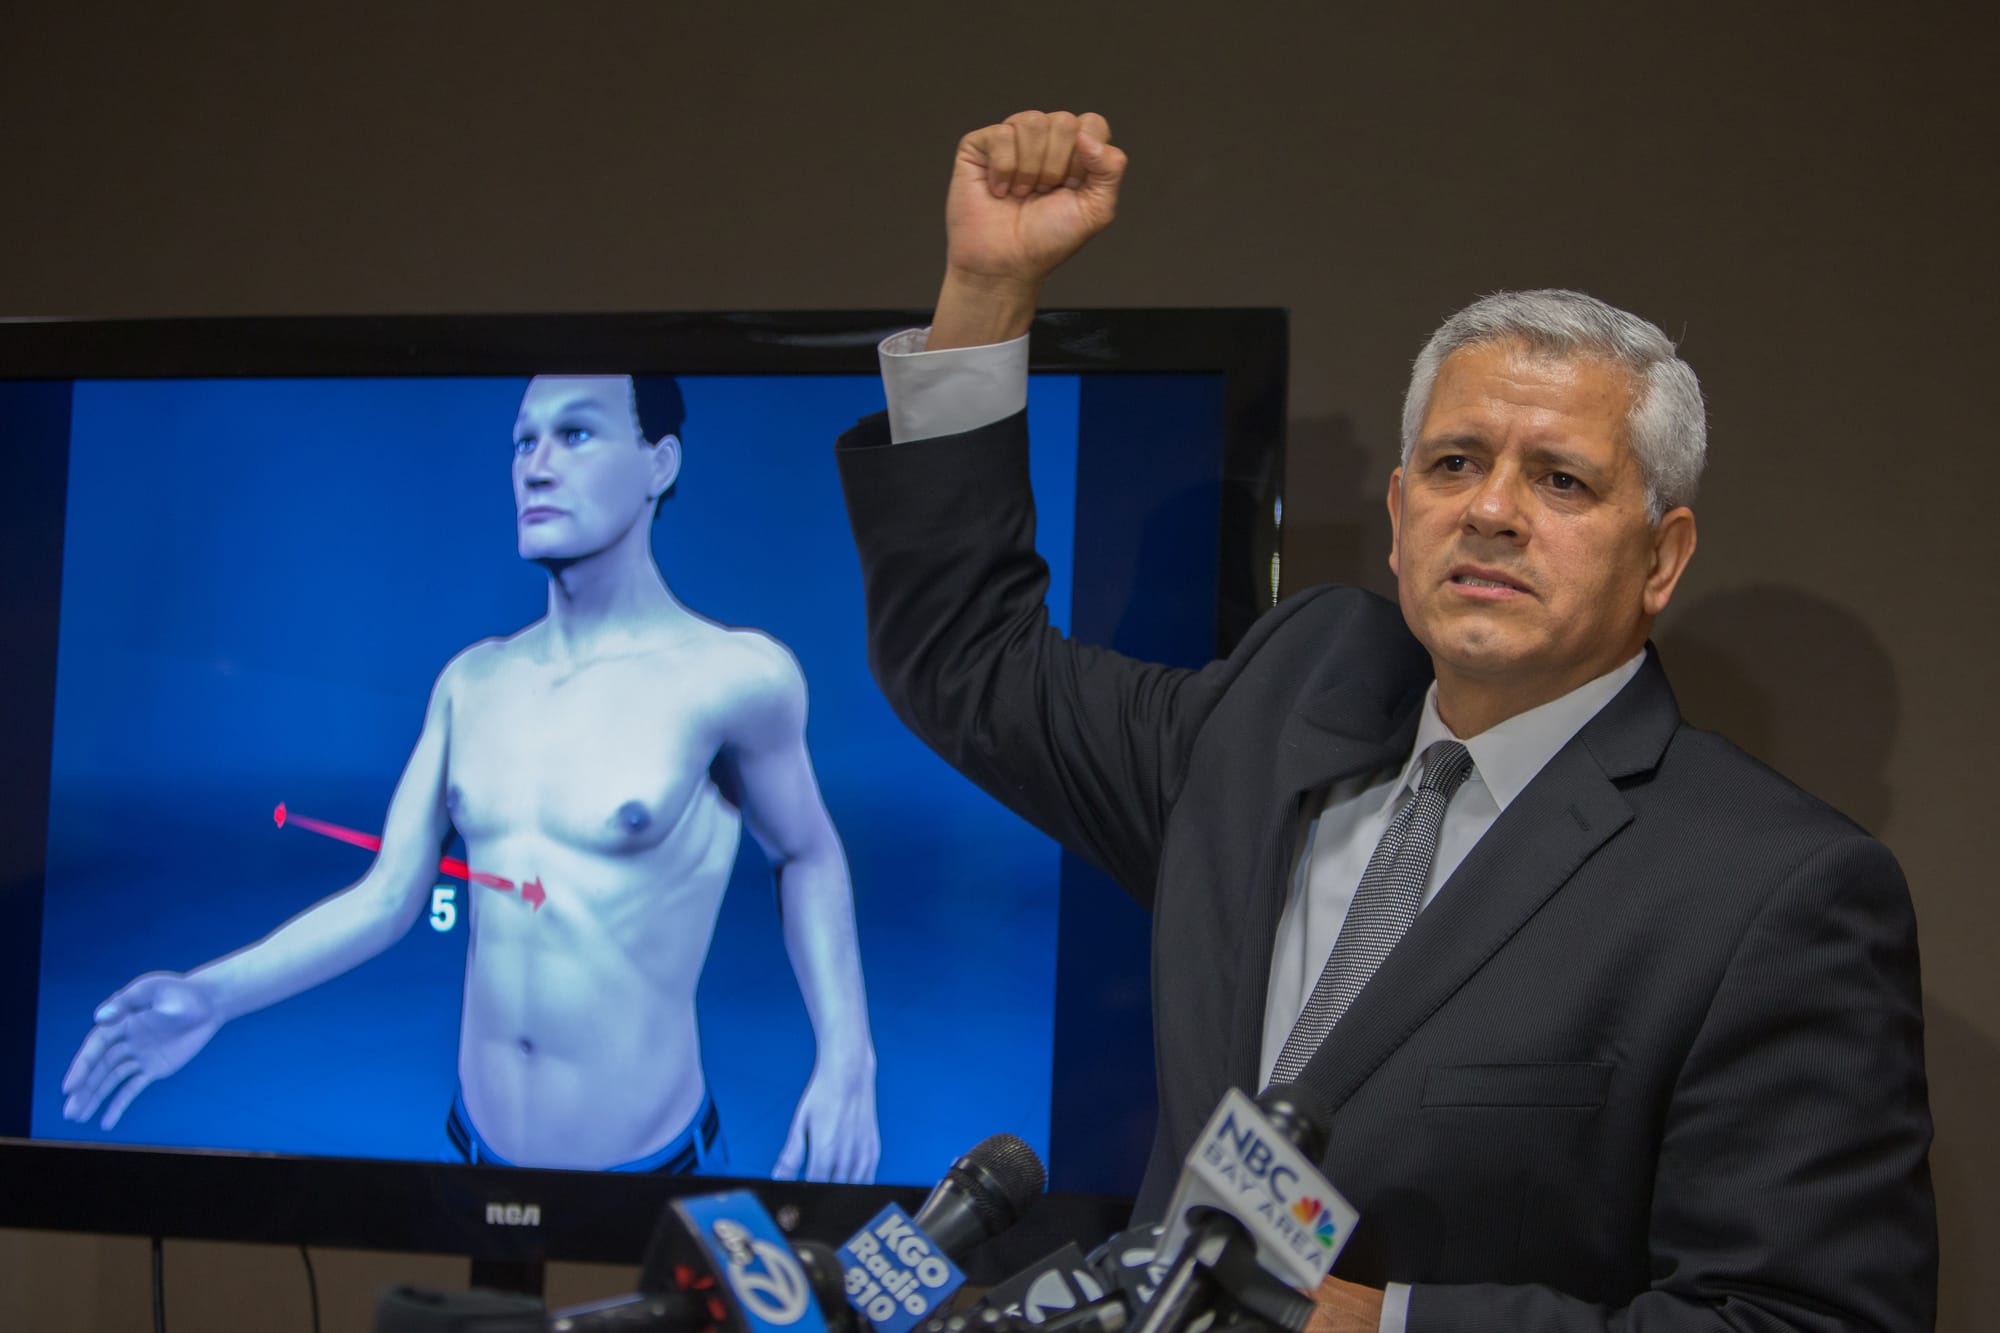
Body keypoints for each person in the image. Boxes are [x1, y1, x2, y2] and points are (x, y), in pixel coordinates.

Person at [835, 112, 1933, 1330]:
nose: (1494, 512)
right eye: (1456, 464)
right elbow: (967, 660)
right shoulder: (1275, 714)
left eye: (1560, 479)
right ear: (1402, 512)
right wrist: (986, 291)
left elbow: (1804, 1319)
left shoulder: (1769, 890)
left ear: (1661, 555)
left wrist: (1380, 1322)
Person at [62, 373, 880, 1183]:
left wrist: (848, 1056)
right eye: (524, 441)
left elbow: (806, 853)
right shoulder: (472, 682)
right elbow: (386, 897)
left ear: (660, 463)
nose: (537, 464)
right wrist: (210, 996)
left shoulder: (732, 675)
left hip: (655, 1171)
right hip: (471, 1157)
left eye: (576, 433)